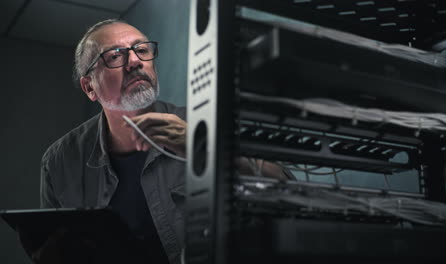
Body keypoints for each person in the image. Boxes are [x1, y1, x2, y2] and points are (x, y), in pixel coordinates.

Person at [27, 18, 293, 264]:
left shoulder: (205, 126)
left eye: (142, 50)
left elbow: (286, 188)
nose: (134, 61)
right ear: (89, 87)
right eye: (115, 56)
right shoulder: (58, 161)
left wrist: (204, 148)